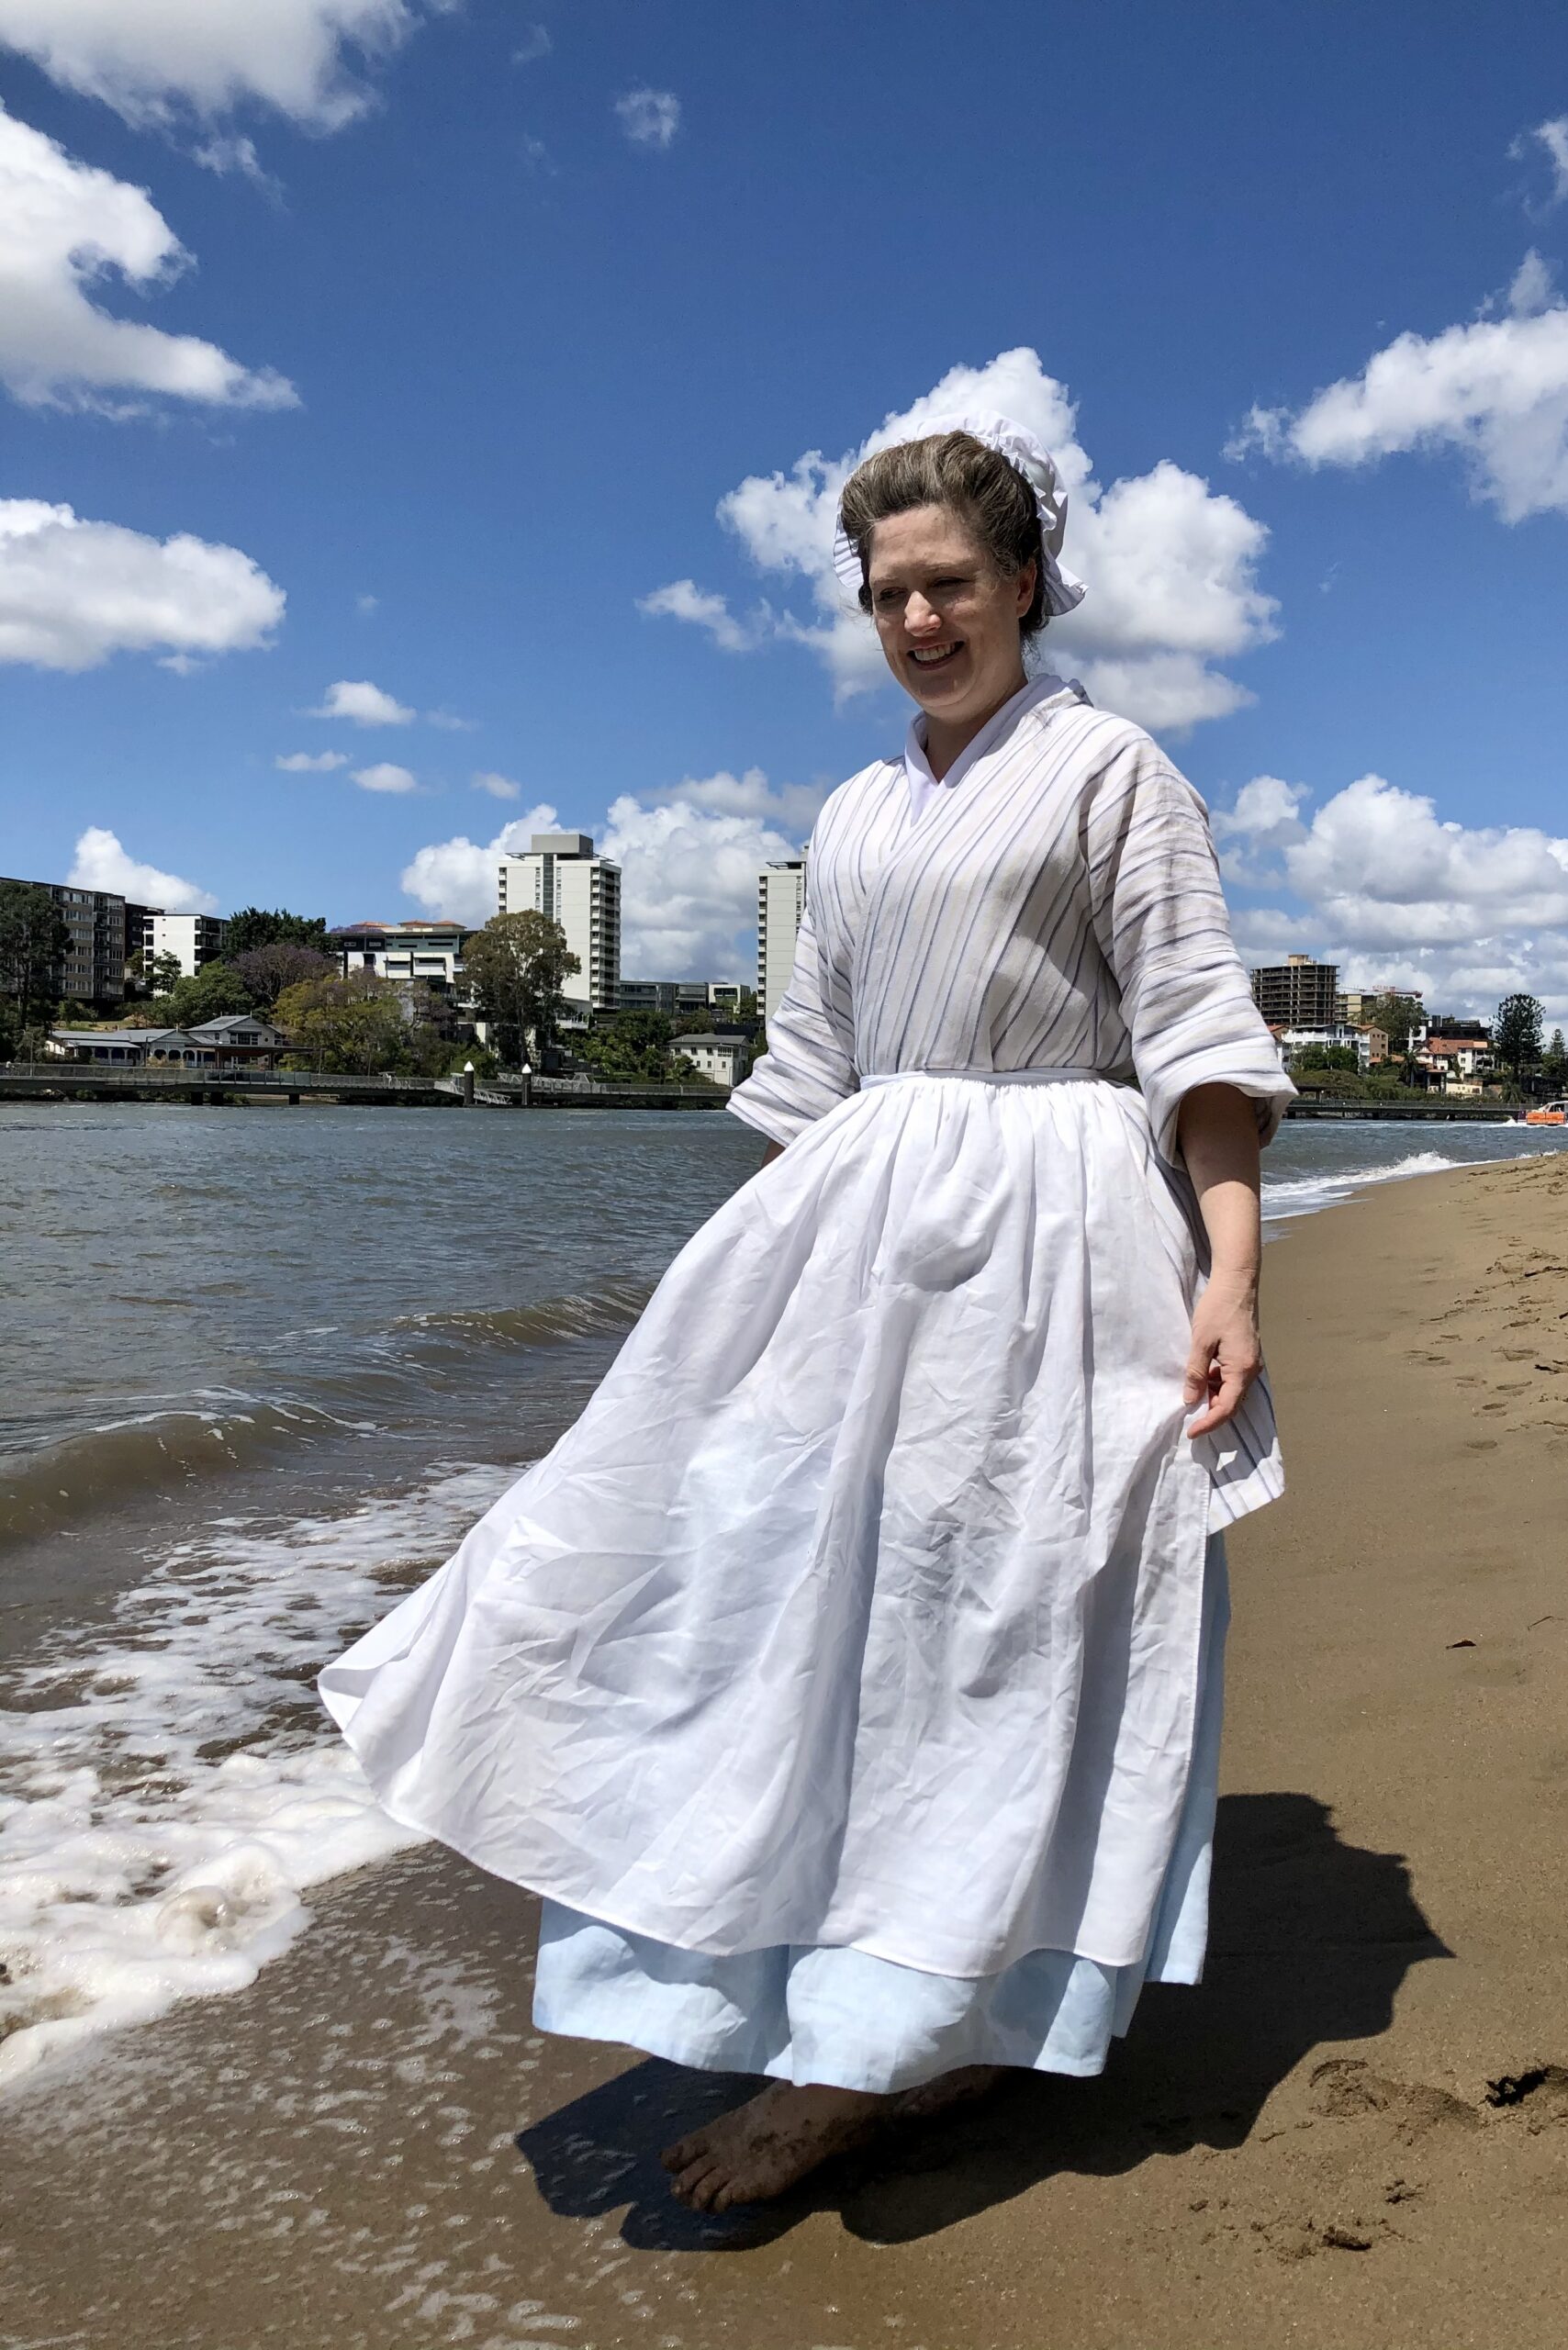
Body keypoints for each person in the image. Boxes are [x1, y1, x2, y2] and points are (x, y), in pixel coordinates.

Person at [320, 415, 1293, 2213]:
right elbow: (809, 1073)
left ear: (1022, 584)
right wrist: (737, 1301)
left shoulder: (1115, 771)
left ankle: (909, 2040)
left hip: (1064, 1231)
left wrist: (1233, 1268)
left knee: (1010, 1616)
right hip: (864, 1230)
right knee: (802, 1594)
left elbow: (1197, 1032)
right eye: (886, 591)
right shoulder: (851, 810)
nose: (919, 617)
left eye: (949, 583)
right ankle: (886, 2003)